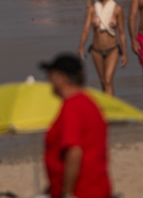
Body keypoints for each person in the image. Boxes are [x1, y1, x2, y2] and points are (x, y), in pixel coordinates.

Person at [40, 54, 112, 198]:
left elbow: (74, 152)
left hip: (82, 190)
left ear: (62, 78)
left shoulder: (72, 107)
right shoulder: (89, 103)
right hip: (96, 186)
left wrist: (67, 193)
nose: (48, 80)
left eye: (50, 75)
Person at [76, 0, 126, 95]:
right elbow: (86, 29)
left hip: (112, 49)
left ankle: (111, 110)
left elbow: (122, 33)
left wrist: (124, 53)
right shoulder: (92, 9)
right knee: (103, 81)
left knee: (108, 80)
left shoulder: (117, 10)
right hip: (96, 50)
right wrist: (81, 47)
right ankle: (105, 110)